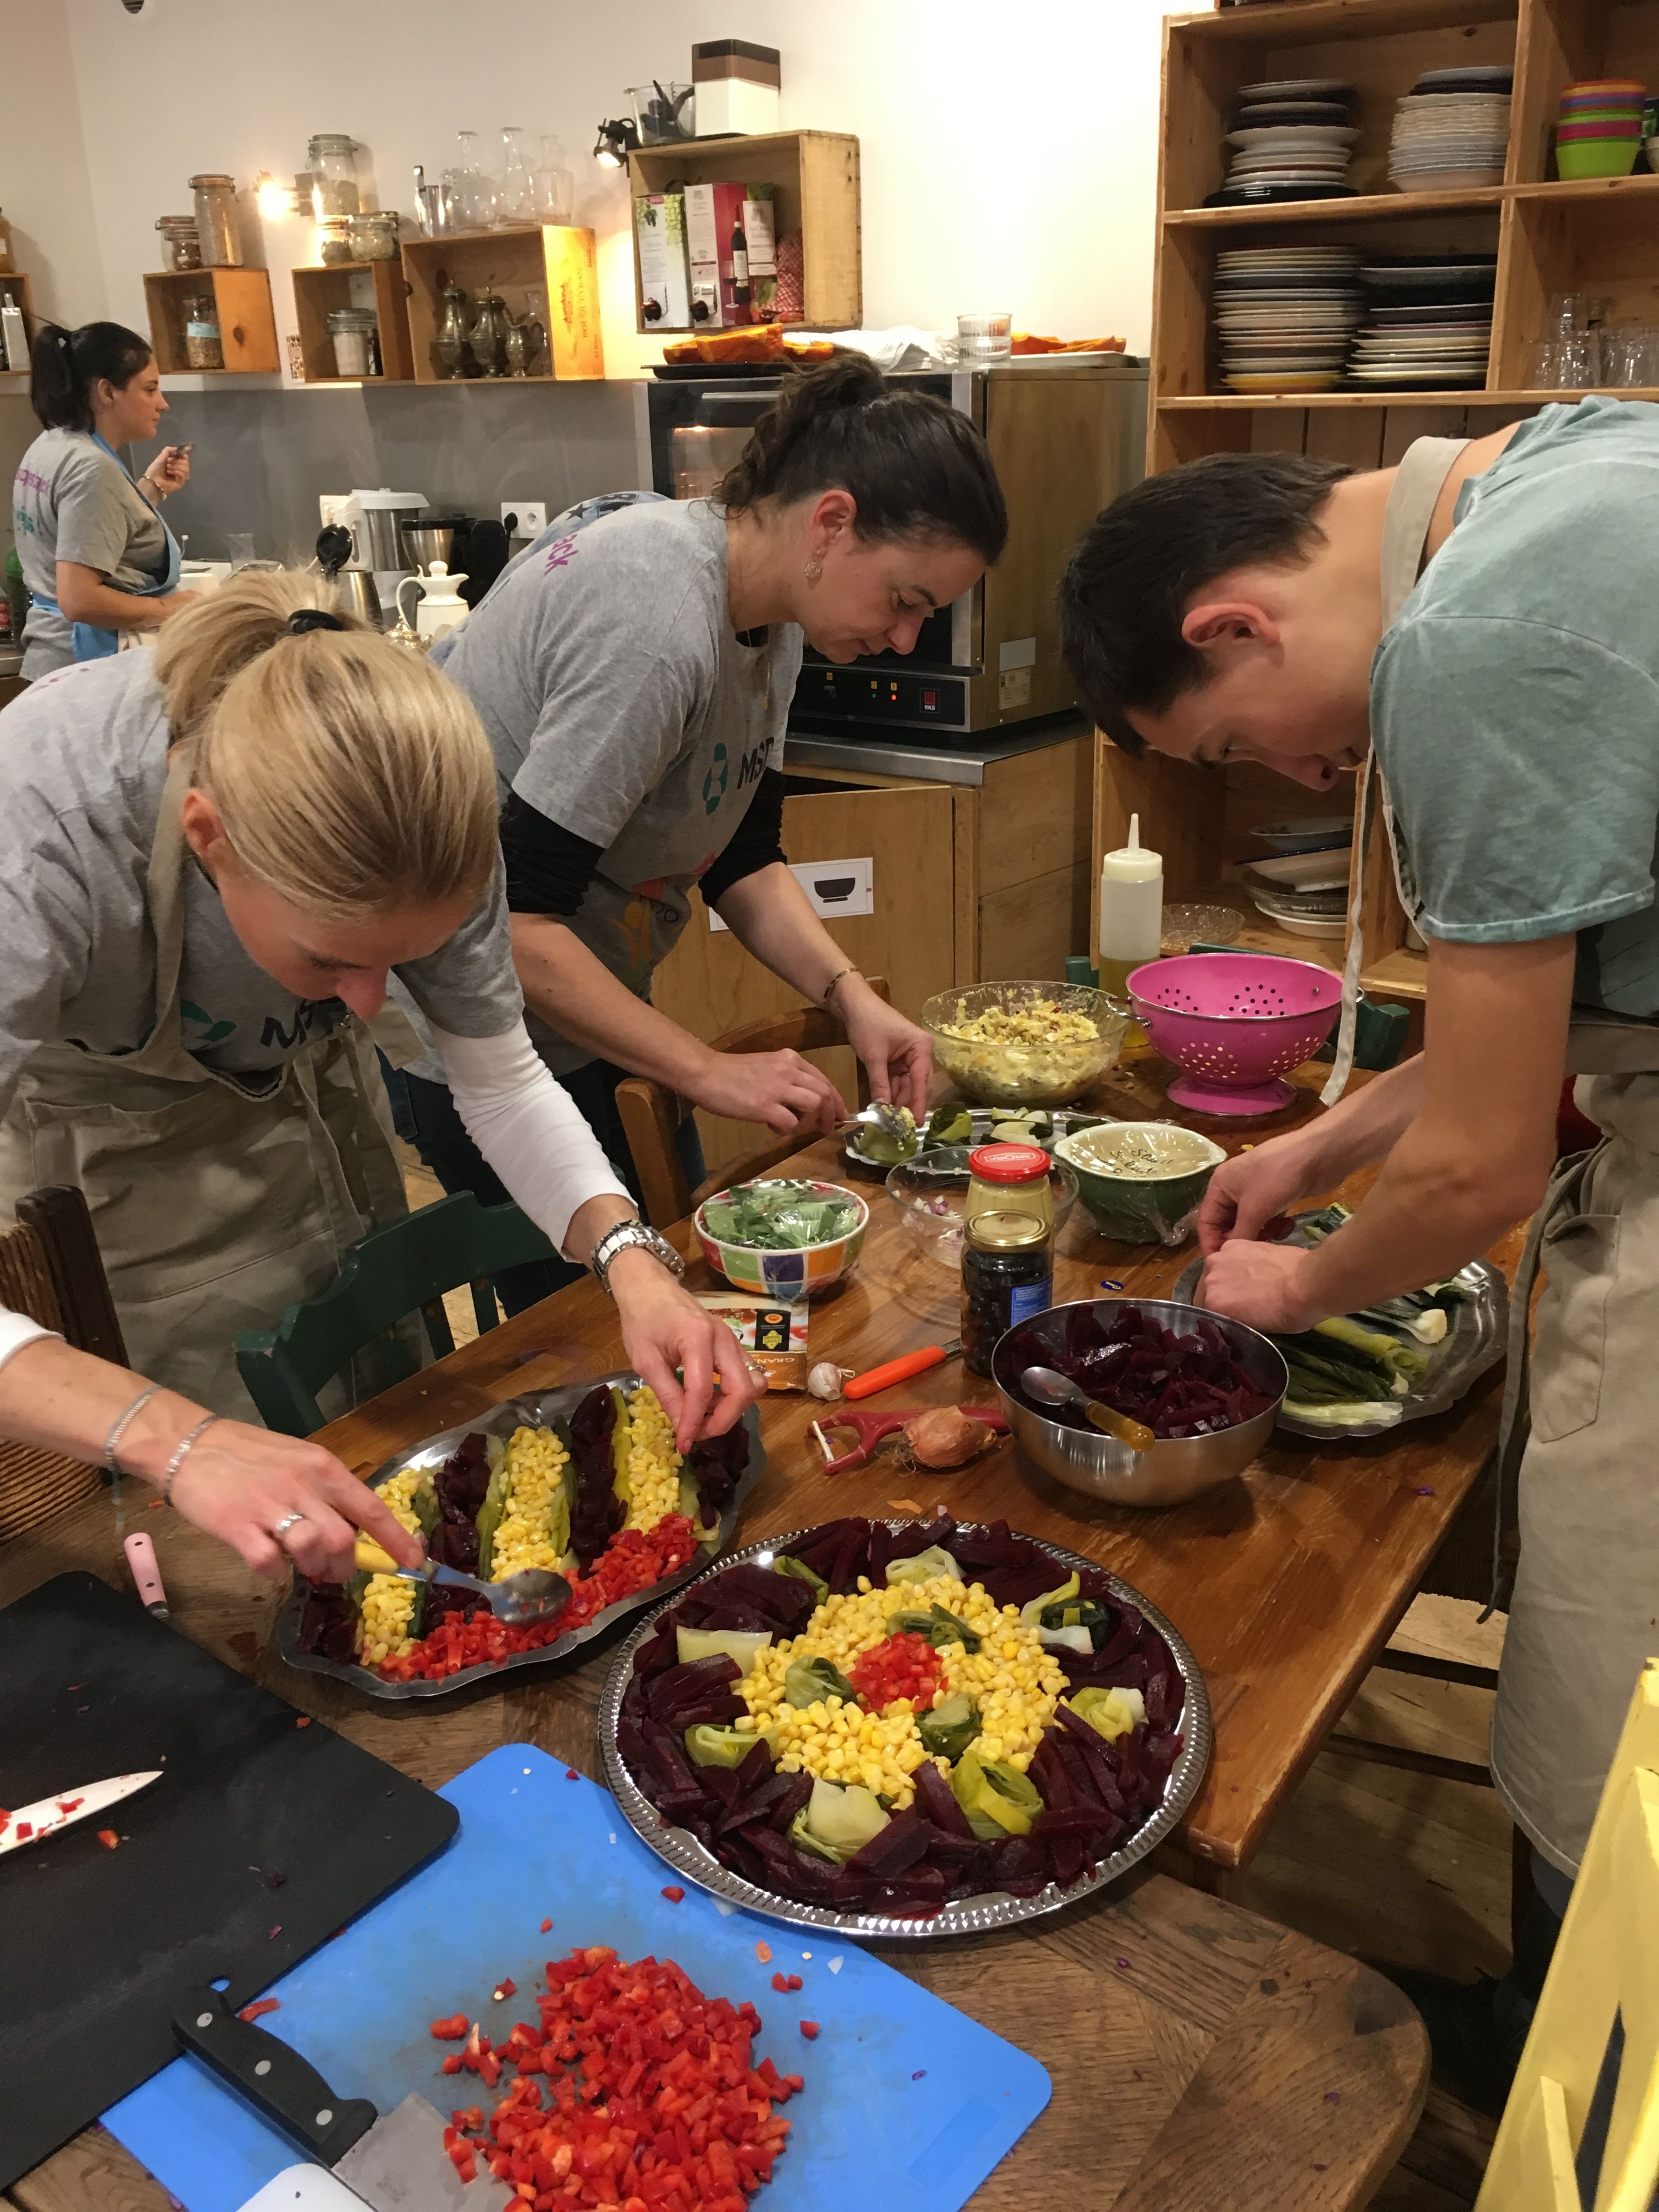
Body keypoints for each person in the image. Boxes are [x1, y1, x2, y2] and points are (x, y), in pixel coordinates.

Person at [1057, 396, 1659, 2109]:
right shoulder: (1564, 465)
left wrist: (1299, 1288)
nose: (1312, 778)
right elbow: (1506, 1054)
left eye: (1239, 751)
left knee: (1615, 1696)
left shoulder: (1474, 641)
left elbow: (1475, 1166)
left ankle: (1591, 2099)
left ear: (1233, 622)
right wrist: (1324, 1142)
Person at [0, 572, 755, 1592]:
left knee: (379, 1491)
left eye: (400, 960)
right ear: (207, 835)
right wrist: (173, 1438)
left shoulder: (429, 803)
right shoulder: (43, 843)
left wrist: (631, 1261)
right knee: (233, 1568)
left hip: (297, 1115)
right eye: (330, 961)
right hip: (123, 1173)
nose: (367, 1008)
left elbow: (495, 1079)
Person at [392, 353, 1008, 1308]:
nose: (903, 640)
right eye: (904, 600)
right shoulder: (652, 624)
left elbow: (742, 856)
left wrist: (850, 997)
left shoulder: (776, 623)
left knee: (675, 1293)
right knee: (589, 1332)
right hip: (482, 1040)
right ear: (830, 523)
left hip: (591, 1010)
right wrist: (706, 1069)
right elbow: (519, 924)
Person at [13, 320, 194, 676]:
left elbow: (93, 534)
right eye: (150, 389)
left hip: (49, 660)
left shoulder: (53, 443)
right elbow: (79, 600)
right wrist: (171, 609)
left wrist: (150, 489)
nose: (163, 404)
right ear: (108, 392)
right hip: (81, 667)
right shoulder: (92, 469)